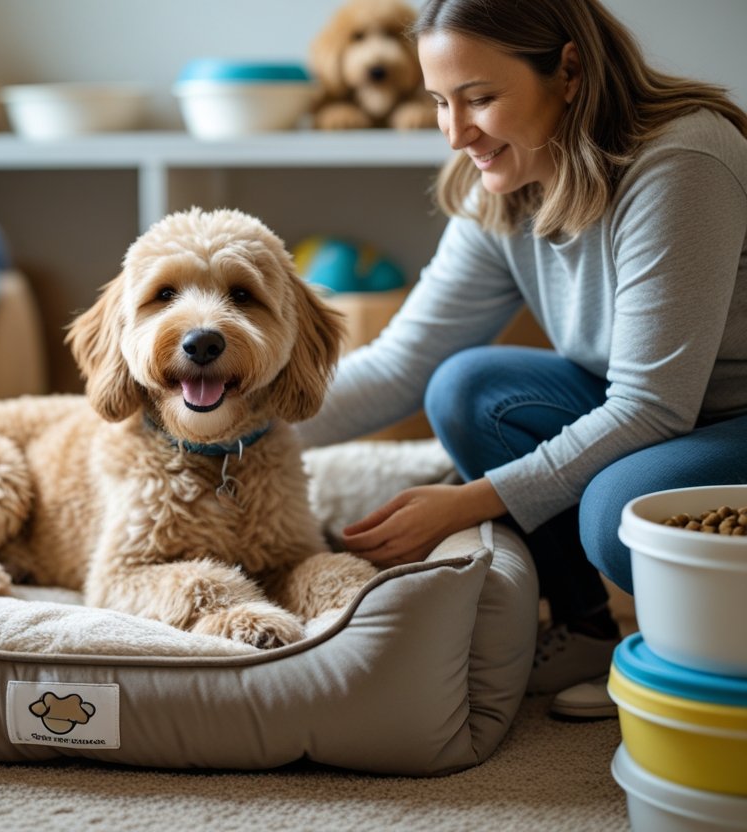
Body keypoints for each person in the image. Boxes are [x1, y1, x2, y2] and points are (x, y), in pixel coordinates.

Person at [297, 0, 747, 718]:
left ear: (568, 71)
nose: (455, 132)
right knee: (467, 386)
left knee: (613, 514)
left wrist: (470, 502)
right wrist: (233, 432)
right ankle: (586, 628)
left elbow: (652, 407)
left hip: (726, 418)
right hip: (661, 413)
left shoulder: (680, 162)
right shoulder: (501, 190)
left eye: (479, 99)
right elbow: (399, 366)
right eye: (440, 102)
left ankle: (706, 656)